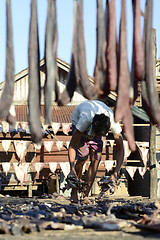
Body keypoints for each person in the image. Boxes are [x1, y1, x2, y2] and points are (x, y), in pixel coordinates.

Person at [68, 100, 124, 204]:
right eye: (95, 134)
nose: (95, 137)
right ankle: (74, 191)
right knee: (82, 157)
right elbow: (71, 146)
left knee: (96, 160)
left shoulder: (113, 122)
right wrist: (71, 169)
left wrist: (115, 173)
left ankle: (85, 195)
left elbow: (121, 149)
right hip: (80, 121)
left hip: (98, 124)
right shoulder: (84, 120)